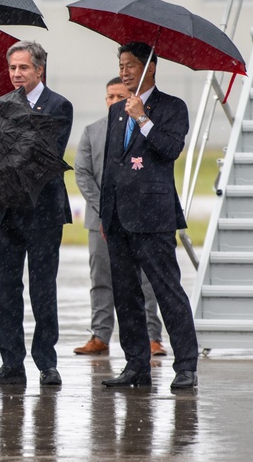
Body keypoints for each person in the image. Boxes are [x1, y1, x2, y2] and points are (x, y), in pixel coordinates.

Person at [99, 42, 198, 391]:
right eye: (121, 65)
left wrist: (143, 117)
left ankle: (186, 365)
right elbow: (112, 166)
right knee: (125, 295)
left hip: (153, 216)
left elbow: (170, 149)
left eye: (131, 65)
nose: (124, 72)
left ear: (151, 67)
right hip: (118, 218)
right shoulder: (116, 112)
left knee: (167, 290)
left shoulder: (172, 107)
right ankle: (136, 365)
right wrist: (104, 211)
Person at [0, 40, 72, 388]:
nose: (16, 74)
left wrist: (8, 145)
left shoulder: (59, 106)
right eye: (12, 68)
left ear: (39, 69)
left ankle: (46, 362)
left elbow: (45, 155)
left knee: (42, 288)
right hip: (6, 210)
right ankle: (11, 363)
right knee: (6, 289)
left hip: (43, 212)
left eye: (23, 67)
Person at [74, 76, 166, 357]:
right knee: (101, 277)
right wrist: (104, 209)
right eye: (109, 97)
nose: (113, 102)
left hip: (138, 219)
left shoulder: (142, 130)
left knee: (146, 280)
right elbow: (82, 173)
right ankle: (100, 335)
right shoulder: (92, 131)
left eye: (119, 96)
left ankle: (152, 336)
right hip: (100, 221)